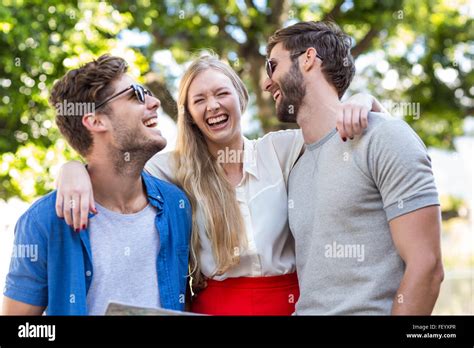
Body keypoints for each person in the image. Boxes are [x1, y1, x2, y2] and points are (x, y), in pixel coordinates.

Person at [54, 54, 383, 315]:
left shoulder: (281, 149)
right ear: (191, 115)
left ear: (241, 98)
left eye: (221, 93)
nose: (212, 106)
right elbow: (112, 170)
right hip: (213, 309)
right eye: (199, 100)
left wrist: (366, 101)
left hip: (292, 307)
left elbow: (338, 130)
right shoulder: (170, 168)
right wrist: (72, 169)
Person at [262, 21, 444, 315]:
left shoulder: (383, 137)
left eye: (272, 66)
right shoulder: (295, 163)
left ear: (308, 58)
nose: (266, 82)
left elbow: (428, 267)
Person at [2, 55, 192, 315]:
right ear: (95, 121)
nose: (155, 101)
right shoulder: (43, 221)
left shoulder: (177, 205)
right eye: (136, 94)